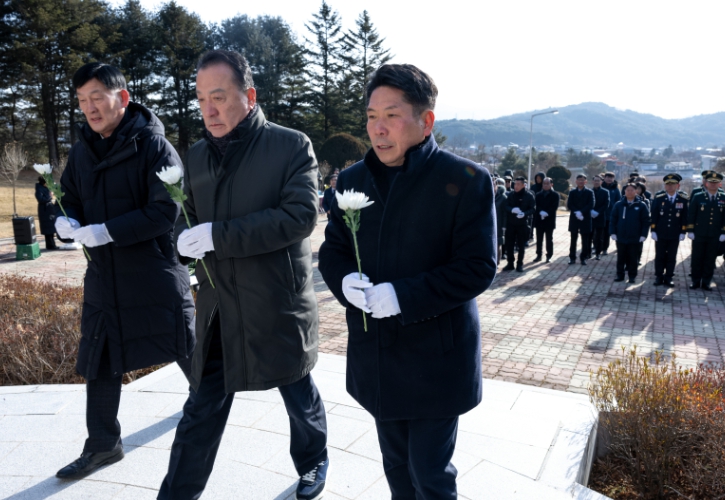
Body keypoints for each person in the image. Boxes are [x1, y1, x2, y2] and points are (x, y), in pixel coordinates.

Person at [318, 63, 496, 499]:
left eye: (392, 115)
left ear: (425, 121)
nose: (378, 129)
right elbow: (334, 249)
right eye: (371, 116)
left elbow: (477, 266)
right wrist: (343, 281)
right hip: (377, 354)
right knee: (397, 468)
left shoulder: (465, 179)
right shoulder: (354, 180)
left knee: (429, 474)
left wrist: (401, 296)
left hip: (437, 358)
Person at [157, 50, 328, 500]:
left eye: (219, 97)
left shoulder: (291, 145)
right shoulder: (197, 156)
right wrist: (183, 241)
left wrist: (219, 236)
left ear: (249, 96)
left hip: (276, 300)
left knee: (296, 389)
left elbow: (299, 216)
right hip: (221, 308)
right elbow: (189, 219)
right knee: (200, 409)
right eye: (201, 99)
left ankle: (313, 460)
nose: (208, 110)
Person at [52, 62, 195, 480]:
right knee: (99, 357)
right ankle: (103, 445)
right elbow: (69, 195)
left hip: (152, 271)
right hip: (103, 276)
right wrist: (65, 219)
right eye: (82, 100)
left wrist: (106, 231)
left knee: (183, 345)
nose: (90, 108)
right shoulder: (82, 150)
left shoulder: (154, 146)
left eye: (97, 97)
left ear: (123, 98)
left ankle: (209, 403)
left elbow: (166, 210)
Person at [686, 171, 725, 291]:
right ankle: (696, 281)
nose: (713, 184)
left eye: (715, 182)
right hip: (699, 233)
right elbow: (692, 214)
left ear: (719, 184)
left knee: (710, 258)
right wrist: (690, 230)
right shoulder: (698, 196)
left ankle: (706, 282)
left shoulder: (723, 197)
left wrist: (723, 232)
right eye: (711, 182)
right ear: (706, 183)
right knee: (697, 257)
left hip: (715, 234)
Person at [651, 173, 688, 287]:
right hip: (661, 232)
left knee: (672, 256)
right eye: (668, 184)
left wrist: (683, 232)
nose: (670, 186)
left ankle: (669, 276)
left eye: (673, 184)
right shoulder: (659, 198)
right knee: (660, 256)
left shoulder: (683, 199)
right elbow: (654, 215)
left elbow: (685, 217)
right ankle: (659, 276)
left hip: (675, 233)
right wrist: (653, 230)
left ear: (677, 185)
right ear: (665, 186)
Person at [610, 183, 650, 283]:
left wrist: (643, 235)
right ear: (624, 191)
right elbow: (613, 220)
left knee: (633, 258)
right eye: (627, 190)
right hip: (621, 236)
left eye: (632, 190)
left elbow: (646, 221)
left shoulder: (641, 205)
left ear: (636, 191)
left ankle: (632, 276)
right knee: (621, 257)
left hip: (635, 237)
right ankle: (620, 275)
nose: (630, 192)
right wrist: (613, 233)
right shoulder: (619, 204)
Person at [504, 176, 536, 272]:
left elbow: (533, 208)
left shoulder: (529, 196)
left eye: (518, 184)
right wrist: (512, 210)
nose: (516, 186)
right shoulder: (511, 195)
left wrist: (524, 213)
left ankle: (519, 264)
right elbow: (506, 206)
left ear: (523, 185)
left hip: (522, 224)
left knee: (521, 245)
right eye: (515, 184)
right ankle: (510, 263)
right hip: (511, 223)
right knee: (509, 244)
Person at [567, 174, 595, 265]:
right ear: (576, 181)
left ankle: (583, 257)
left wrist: (582, 212)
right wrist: (576, 212)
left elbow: (591, 204)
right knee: (573, 239)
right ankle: (572, 257)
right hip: (574, 217)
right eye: (579, 180)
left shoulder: (589, 192)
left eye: (582, 180)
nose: (581, 182)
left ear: (585, 182)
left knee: (585, 239)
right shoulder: (572, 192)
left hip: (585, 218)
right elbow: (569, 204)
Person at [534, 177, 559, 263]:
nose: (545, 185)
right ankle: (539, 255)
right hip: (539, 220)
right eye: (544, 183)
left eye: (547, 184)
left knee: (549, 239)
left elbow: (554, 207)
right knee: (539, 239)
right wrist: (540, 212)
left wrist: (547, 213)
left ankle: (549, 255)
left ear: (552, 184)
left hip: (549, 220)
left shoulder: (555, 195)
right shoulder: (538, 195)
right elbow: (536, 205)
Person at [600, 172, 621, 256]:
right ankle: (597, 248)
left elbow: (618, 201)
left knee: (606, 233)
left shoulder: (615, 189)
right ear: (604, 178)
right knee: (598, 232)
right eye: (608, 177)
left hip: (610, 214)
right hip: (600, 213)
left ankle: (604, 249)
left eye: (611, 178)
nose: (609, 179)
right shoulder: (600, 187)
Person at [35, 176, 58, 250]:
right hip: (44, 211)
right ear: (43, 183)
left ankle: (52, 244)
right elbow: (41, 199)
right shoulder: (39, 189)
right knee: (47, 228)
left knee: (51, 227)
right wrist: (50, 196)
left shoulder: (46, 188)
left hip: (49, 209)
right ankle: (50, 245)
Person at [590, 175, 610, 260]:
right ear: (592, 181)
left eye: (598, 181)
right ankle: (588, 252)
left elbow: (606, 204)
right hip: (590, 216)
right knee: (589, 235)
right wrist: (591, 211)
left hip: (600, 216)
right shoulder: (589, 191)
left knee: (599, 236)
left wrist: (598, 212)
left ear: (601, 182)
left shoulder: (605, 192)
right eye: (595, 180)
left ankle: (598, 252)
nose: (596, 182)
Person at [494, 177, 508, 264]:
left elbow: (505, 213)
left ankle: (497, 261)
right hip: (492, 223)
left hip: (499, 224)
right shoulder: (491, 195)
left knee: (498, 244)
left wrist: (504, 226)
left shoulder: (503, 198)